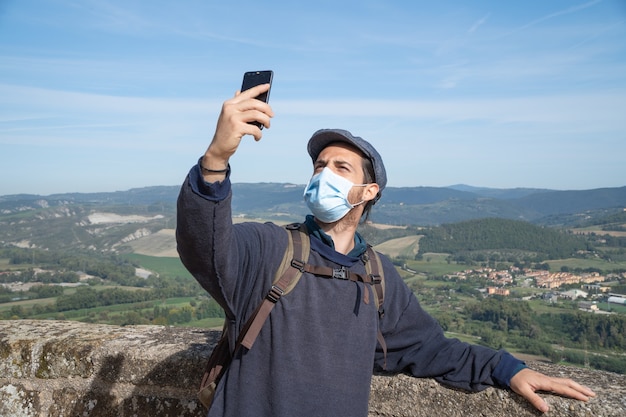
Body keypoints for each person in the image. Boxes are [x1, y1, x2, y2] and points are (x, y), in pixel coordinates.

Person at [176, 83, 596, 417]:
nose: (324, 174)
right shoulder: (269, 247)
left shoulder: (377, 276)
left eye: (340, 168)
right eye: (319, 166)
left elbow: (429, 349)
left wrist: (509, 369)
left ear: (368, 191)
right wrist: (216, 158)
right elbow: (203, 248)